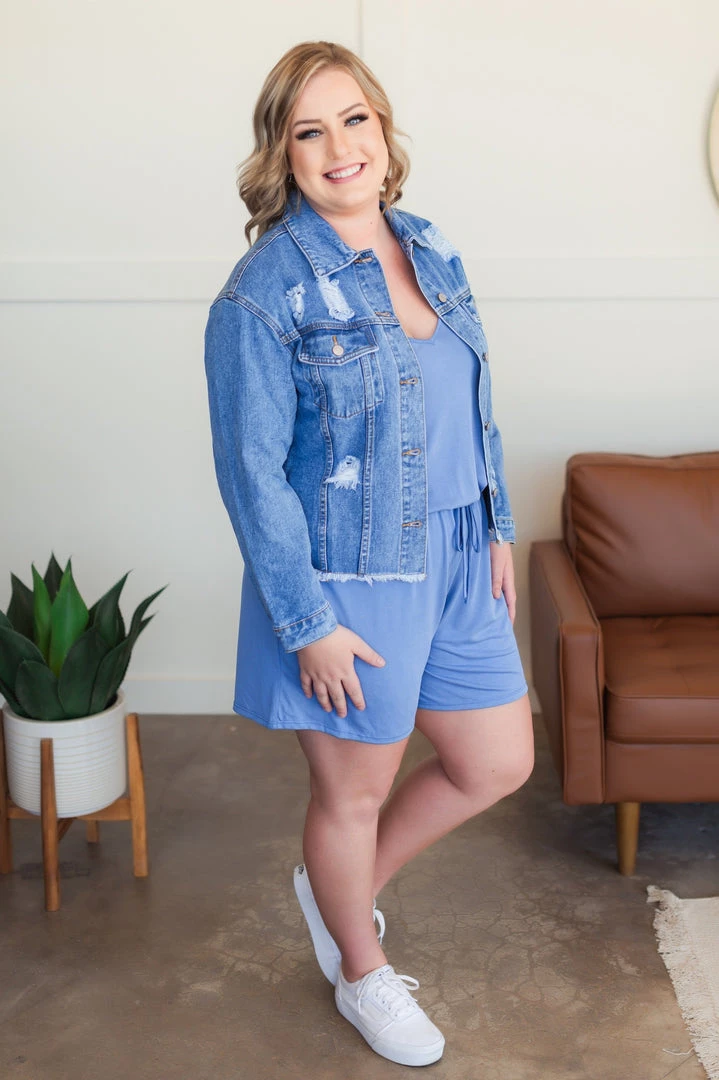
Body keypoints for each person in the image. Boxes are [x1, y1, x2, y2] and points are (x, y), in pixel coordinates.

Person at [204, 40, 534, 1068]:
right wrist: (308, 624)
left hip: (459, 550)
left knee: (497, 760)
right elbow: (251, 477)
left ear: (382, 129)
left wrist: (495, 523)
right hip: (352, 575)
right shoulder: (261, 293)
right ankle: (360, 969)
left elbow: (471, 401)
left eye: (353, 119)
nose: (338, 146)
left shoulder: (428, 245)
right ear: (282, 154)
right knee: (350, 793)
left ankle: (337, 889)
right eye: (309, 131)